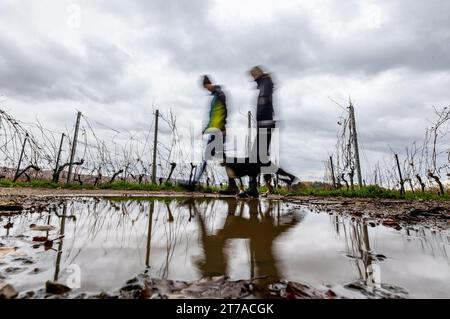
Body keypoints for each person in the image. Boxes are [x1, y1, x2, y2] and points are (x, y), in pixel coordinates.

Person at [190, 76, 239, 194]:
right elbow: (213, 118)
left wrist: (223, 128)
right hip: (215, 132)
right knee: (220, 158)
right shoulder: (214, 97)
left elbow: (225, 111)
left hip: (219, 132)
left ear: (208, 84)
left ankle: (194, 184)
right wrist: (204, 130)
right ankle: (233, 185)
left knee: (209, 157)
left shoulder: (220, 94)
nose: (206, 89)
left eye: (206, 87)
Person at [239, 66, 276, 198]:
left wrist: (262, 120)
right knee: (261, 159)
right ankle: (259, 187)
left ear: (257, 74)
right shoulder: (264, 83)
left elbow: (265, 102)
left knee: (254, 158)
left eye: (253, 75)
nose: (252, 78)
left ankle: (253, 188)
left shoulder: (265, 83)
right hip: (264, 124)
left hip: (265, 124)